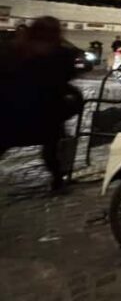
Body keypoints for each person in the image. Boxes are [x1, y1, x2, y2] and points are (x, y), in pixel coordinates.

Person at [0, 17, 82, 191]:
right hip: (42, 112)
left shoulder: (14, 49)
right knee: (51, 147)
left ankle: (58, 179)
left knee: (47, 145)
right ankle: (58, 180)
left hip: (16, 110)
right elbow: (64, 78)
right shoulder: (59, 54)